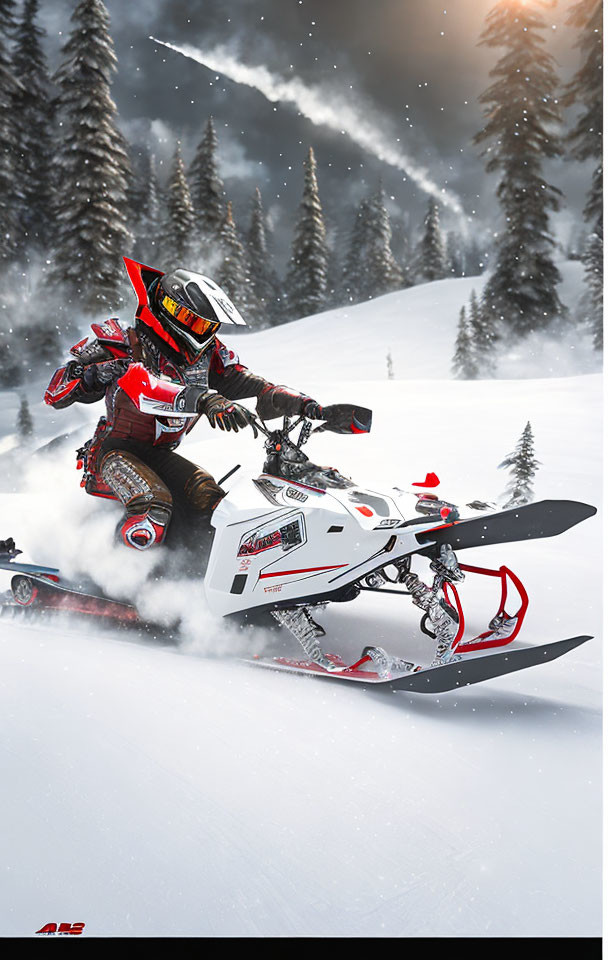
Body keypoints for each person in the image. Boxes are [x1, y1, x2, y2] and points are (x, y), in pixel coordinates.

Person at [45, 257, 324, 556]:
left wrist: (301, 402)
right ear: (169, 311)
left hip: (160, 455)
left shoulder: (207, 355)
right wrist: (90, 374)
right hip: (116, 453)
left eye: (207, 324)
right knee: (152, 504)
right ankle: (117, 579)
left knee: (212, 503)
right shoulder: (124, 343)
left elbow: (249, 383)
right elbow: (57, 393)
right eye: (194, 321)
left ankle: (194, 578)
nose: (201, 331)